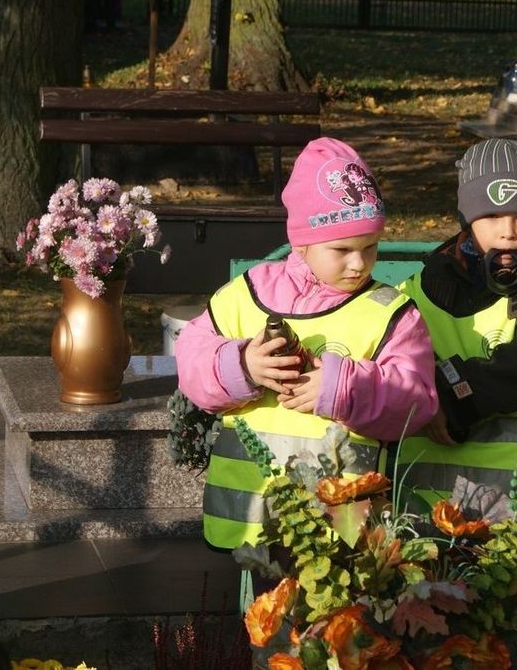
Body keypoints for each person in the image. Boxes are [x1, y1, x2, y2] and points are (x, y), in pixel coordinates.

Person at [174, 137, 438, 552]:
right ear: (300, 242)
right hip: (249, 517)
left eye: (370, 246)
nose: (359, 263)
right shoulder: (245, 294)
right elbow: (191, 361)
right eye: (342, 249)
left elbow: (417, 401)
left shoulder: (391, 313)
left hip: (342, 529)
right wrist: (241, 366)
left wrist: (341, 389)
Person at [395, 138, 517, 577]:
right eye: (493, 214)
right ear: (466, 216)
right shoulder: (420, 288)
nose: (509, 230)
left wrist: (446, 396)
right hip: (425, 491)